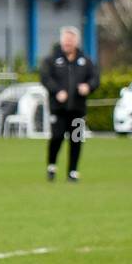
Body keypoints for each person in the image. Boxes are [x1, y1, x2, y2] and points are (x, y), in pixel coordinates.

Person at [39, 25, 98, 182]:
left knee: (76, 139)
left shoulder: (85, 61)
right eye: (65, 41)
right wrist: (57, 91)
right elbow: (45, 78)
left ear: (76, 42)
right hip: (58, 109)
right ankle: (51, 166)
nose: (68, 44)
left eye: (71, 41)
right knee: (57, 137)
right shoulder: (52, 60)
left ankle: (73, 171)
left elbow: (95, 78)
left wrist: (88, 86)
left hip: (78, 109)